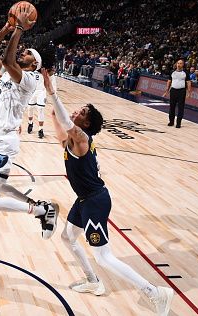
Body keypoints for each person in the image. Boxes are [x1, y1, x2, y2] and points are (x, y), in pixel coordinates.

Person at [41, 69, 174, 316]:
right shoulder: (73, 141)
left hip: (95, 202)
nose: (76, 112)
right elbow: (61, 135)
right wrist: (53, 117)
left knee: (103, 256)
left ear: (86, 123)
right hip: (84, 200)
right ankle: (92, 281)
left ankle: (153, 293)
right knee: (68, 238)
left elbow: (68, 128)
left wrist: (52, 94)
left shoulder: (82, 138)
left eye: (81, 113)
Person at [0, 4, 58, 239]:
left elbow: (7, 59)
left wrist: (19, 29)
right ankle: (40, 205)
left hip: (4, 140)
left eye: (28, 54)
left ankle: (41, 210)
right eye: (22, 51)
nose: (23, 53)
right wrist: (6, 27)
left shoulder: (30, 79)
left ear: (35, 64)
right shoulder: (6, 71)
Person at [27, 67, 56, 138]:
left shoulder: (48, 70)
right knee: (30, 108)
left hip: (42, 91)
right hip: (32, 91)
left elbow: (53, 83)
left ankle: (40, 129)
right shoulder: (32, 68)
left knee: (40, 109)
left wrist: (54, 96)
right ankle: (30, 123)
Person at [163, 59, 192, 128]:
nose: (179, 65)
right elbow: (169, 81)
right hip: (173, 91)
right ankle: (171, 121)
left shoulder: (185, 73)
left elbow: (188, 82)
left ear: (183, 65)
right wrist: (166, 91)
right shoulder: (172, 72)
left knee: (180, 107)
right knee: (172, 107)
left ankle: (178, 123)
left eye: (180, 63)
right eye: (178, 63)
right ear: (176, 64)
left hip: (181, 91)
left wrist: (189, 92)